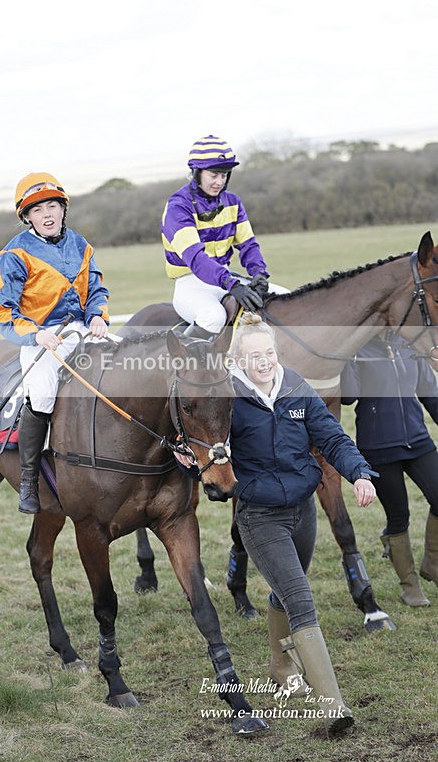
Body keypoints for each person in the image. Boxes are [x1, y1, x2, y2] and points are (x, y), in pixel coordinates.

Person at [176, 313, 376, 736]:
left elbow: (331, 437)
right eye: (254, 356)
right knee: (301, 599)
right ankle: (332, 708)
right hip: (259, 515)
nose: (264, 361)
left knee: (287, 590)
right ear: (238, 360)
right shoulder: (226, 398)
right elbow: (203, 441)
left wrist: (359, 472)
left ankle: (281, 666)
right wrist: (191, 464)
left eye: (268, 352)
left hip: (303, 510)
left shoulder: (296, 387)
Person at [0, 172, 110, 514]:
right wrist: (36, 333)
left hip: (84, 330)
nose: (47, 215)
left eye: (52, 206)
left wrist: (98, 315)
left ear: (63, 209)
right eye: (38, 210)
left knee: (129, 362)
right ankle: (29, 481)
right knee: (41, 394)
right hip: (42, 338)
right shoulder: (13, 255)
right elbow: (2, 310)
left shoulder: (81, 244)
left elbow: (97, 288)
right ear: (27, 217)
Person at [341, 332, 438, 606]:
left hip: (418, 440)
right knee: (399, 516)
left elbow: (431, 394)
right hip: (379, 446)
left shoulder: (409, 344)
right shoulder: (359, 349)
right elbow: (348, 397)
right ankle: (409, 585)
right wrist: (348, 358)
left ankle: (432, 562)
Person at [161, 135, 271, 338]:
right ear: (197, 173)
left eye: (224, 175)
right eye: (213, 175)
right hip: (191, 283)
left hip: (226, 278)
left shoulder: (233, 202)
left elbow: (248, 245)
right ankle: (182, 356)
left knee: (281, 298)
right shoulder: (178, 207)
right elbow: (196, 258)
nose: (219, 182)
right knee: (213, 318)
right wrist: (231, 284)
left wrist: (259, 274)